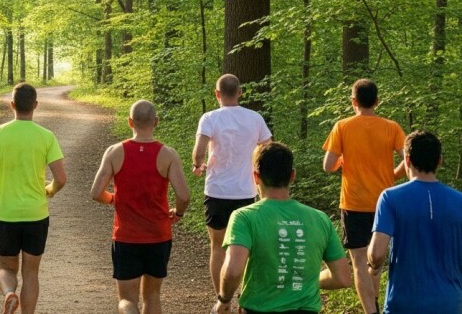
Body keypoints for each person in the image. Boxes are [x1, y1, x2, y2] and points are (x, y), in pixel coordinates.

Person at [213, 142, 351, 314]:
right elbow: (343, 278)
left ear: (256, 176)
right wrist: (301, 280)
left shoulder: (244, 217)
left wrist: (224, 300)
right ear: (292, 175)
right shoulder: (319, 218)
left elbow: (233, 271)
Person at [90, 100, 191, 314]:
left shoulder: (115, 152)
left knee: (126, 299)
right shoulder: (168, 154)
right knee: (153, 296)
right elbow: (184, 195)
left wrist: (113, 199)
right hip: (159, 236)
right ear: (156, 122)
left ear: (129, 122)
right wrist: (178, 213)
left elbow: (95, 193)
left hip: (126, 236)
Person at [0, 82, 67, 314]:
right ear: (35, 105)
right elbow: (61, 178)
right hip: (36, 214)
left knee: (6, 269)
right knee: (31, 273)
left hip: (5, 213)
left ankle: (9, 294)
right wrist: (51, 190)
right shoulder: (46, 136)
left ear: (12, 105)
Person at [322, 78, 405, 314]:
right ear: (377, 101)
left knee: (359, 262)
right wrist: (394, 175)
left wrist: (341, 161)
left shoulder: (342, 126)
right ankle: (376, 304)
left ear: (353, 101)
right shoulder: (391, 127)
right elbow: (408, 160)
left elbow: (328, 166)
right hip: (385, 202)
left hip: (354, 202)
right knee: (376, 261)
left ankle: (371, 311)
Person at [192, 74, 272, 294]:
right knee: (244, 247)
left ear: (217, 94)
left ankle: (222, 298)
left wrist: (198, 165)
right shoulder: (255, 118)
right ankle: (242, 296)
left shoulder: (209, 118)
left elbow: (199, 151)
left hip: (217, 191)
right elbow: (268, 148)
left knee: (217, 247)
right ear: (240, 92)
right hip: (246, 191)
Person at [368, 131, 462, 314]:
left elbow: (376, 253)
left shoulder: (390, 197)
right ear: (439, 161)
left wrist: (373, 267)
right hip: (449, 303)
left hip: (403, 303)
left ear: (407, 161)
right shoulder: (459, 200)